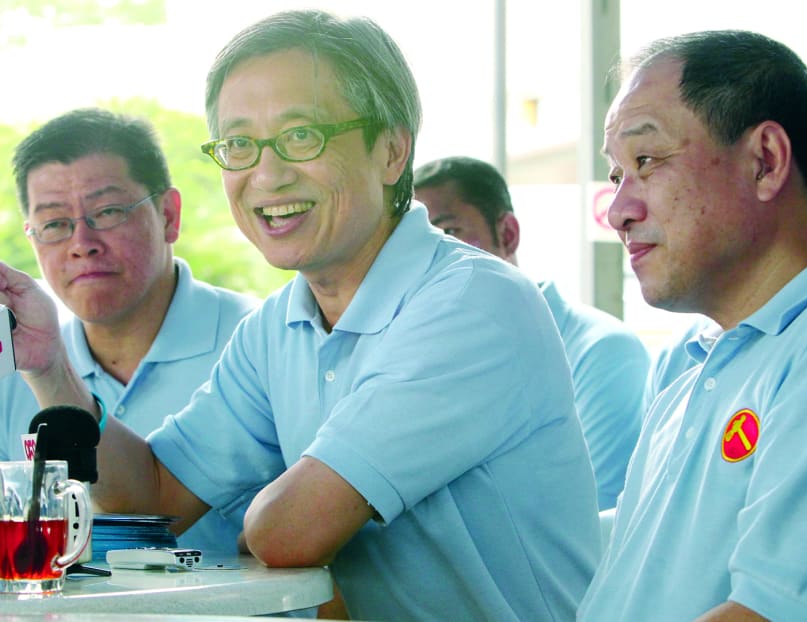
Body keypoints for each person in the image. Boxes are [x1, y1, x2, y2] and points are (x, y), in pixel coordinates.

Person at [0, 10, 600, 622]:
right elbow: (151, 494)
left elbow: (289, 536)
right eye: (239, 144)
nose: (266, 173)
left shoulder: (474, 301)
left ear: (392, 150)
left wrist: (261, 520)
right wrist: (52, 371)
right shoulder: (278, 324)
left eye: (301, 136)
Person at [578, 30, 807, 621]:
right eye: (616, 175)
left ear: (765, 161)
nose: (619, 210)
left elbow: (769, 612)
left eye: (646, 161)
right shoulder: (689, 359)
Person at [0, 107, 260, 554]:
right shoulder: (18, 364)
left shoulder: (259, 341)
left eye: (108, 211)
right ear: (32, 240)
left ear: (168, 214)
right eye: (56, 224)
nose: (82, 243)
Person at [414, 156, 651, 511]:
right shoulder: (428, 360)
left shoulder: (602, 352)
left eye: (448, 232)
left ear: (508, 234)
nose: (427, 258)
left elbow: (594, 519)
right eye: (414, 243)